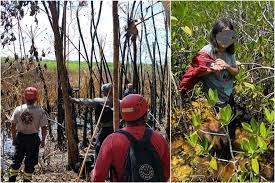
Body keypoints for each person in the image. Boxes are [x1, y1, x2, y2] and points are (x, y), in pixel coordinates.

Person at [92, 94, 170, 182]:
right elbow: (167, 172)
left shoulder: (111, 141)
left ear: (122, 115)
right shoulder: (159, 139)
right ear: (145, 115)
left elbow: (97, 177)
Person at [8, 87, 48, 182]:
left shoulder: (18, 109)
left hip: (20, 138)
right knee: (30, 163)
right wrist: (43, 140)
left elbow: (12, 126)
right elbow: (44, 127)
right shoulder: (40, 111)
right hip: (33, 139)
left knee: (16, 160)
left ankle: (11, 179)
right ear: (36, 98)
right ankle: (26, 180)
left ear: (25, 97)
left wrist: (14, 138)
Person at [70, 83, 114, 158]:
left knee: (98, 146)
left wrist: (73, 100)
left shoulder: (100, 101)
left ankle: (97, 165)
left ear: (104, 92)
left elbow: (86, 101)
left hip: (105, 129)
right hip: (117, 128)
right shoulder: (119, 101)